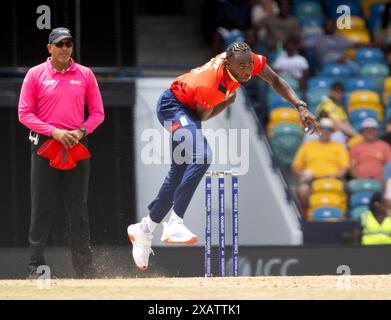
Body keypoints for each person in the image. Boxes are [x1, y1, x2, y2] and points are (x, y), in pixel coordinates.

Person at [127, 41, 320, 270]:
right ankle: (174, 223)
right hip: (173, 107)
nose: (248, 70)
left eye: (249, 64)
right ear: (228, 63)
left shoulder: (249, 61)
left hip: (188, 108)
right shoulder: (211, 85)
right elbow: (203, 116)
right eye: (242, 66)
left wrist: (300, 106)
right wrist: (225, 103)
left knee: (178, 172)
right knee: (202, 156)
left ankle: (145, 229)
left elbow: (276, 81)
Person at [18, 27, 105, 278]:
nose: (65, 48)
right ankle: (36, 269)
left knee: (78, 209)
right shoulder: (35, 74)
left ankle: (84, 270)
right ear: (49, 48)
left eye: (69, 44)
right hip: (45, 146)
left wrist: (80, 132)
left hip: (76, 145)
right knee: (41, 208)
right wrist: (54, 132)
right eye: (60, 44)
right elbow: (24, 113)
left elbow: (98, 114)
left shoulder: (86, 74)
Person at [292, 117, 349, 217]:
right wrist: (304, 174)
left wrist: (337, 176)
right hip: (312, 178)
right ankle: (308, 214)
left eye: (328, 129)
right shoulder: (307, 146)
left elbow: (344, 167)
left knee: (348, 189)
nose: (325, 131)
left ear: (332, 132)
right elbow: (296, 166)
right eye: (322, 128)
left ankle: (343, 215)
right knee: (302, 190)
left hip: (333, 178)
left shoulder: (338, 146)